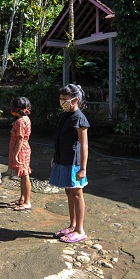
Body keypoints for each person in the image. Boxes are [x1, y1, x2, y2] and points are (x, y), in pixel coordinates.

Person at [49, 84, 89, 243]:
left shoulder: (80, 118)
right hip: (63, 159)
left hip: (75, 163)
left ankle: (80, 230)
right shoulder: (63, 115)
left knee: (77, 193)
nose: (62, 102)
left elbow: (84, 145)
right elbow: (59, 139)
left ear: (75, 100)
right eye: (60, 99)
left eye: (65, 99)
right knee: (69, 192)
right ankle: (72, 225)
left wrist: (83, 168)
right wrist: (55, 157)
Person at [8, 97, 32, 211]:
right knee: (22, 176)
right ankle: (22, 199)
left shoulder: (20, 122)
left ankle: (27, 202)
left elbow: (20, 139)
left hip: (21, 150)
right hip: (23, 149)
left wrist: (15, 155)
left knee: (25, 175)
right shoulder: (26, 119)